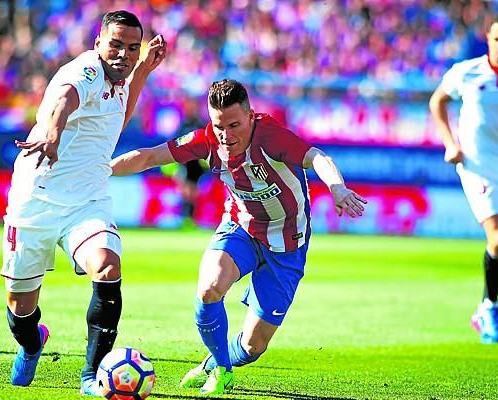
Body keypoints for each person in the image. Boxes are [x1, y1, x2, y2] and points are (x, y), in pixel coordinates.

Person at [111, 79, 367, 395]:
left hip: (287, 245)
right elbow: (150, 157)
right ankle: (222, 369)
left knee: (252, 347)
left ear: (250, 115)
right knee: (209, 288)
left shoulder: (271, 137)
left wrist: (337, 188)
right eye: (219, 125)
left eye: (234, 125)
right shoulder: (207, 140)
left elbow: (317, 157)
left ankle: (212, 363)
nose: (226, 135)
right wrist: (102, 170)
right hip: (241, 228)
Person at [0, 10, 167, 395]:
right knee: (20, 309)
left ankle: (93, 376)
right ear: (97, 44)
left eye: (132, 48)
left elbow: (118, 118)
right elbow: (64, 98)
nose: (123, 54)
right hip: (36, 199)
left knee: (107, 266)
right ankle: (32, 343)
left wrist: (143, 70)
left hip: (88, 201)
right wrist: (52, 132)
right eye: (115, 45)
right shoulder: (86, 71)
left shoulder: (121, 78)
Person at [429, 11, 498, 344]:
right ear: (488, 38)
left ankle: (486, 306)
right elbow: (437, 101)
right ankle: (490, 307)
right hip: (478, 165)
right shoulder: (466, 72)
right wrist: (450, 142)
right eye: (496, 39)